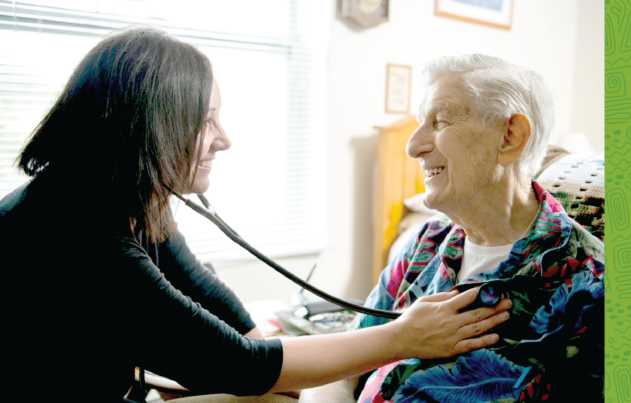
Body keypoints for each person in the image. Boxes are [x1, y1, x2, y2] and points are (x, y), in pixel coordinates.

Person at [0, 29, 513, 402]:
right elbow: (241, 366)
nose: (224, 140)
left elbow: (208, 296)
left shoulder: (127, 199)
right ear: (147, 126)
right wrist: (401, 336)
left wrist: (269, 367)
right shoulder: (77, 233)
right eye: (206, 121)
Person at [300, 55, 605, 403]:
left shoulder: (591, 288)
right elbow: (342, 364)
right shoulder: (425, 242)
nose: (413, 146)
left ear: (510, 137)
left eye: (440, 121)